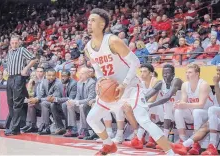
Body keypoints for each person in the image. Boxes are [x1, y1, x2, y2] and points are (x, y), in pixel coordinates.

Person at [85, 8, 175, 155]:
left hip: (130, 86)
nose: (89, 23)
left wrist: (124, 84)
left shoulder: (113, 41)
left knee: (143, 120)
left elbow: (135, 62)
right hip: (112, 89)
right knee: (92, 118)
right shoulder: (88, 48)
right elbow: (97, 69)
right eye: (88, 20)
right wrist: (100, 81)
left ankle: (171, 153)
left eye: (93, 20)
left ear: (102, 25)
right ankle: (109, 145)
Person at [172, 65, 220, 155]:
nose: (187, 74)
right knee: (178, 111)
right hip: (198, 112)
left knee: (197, 111)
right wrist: (179, 104)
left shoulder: (203, 84)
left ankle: (195, 144)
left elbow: (201, 104)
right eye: (186, 72)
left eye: (190, 72)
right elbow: (183, 101)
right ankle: (183, 140)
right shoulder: (185, 85)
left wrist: (184, 104)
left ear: (197, 74)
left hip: (206, 112)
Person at [5, 35, 37, 136]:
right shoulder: (9, 52)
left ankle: (14, 128)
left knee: (17, 103)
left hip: (19, 77)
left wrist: (26, 68)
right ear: (10, 43)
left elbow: (34, 59)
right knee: (10, 102)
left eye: (16, 42)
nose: (14, 44)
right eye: (12, 43)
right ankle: (16, 126)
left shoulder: (22, 50)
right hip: (10, 78)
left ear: (19, 43)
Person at [66, 67, 96, 139]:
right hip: (82, 103)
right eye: (79, 73)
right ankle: (73, 129)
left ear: (87, 74)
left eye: (82, 74)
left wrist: (76, 102)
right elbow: (78, 96)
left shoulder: (92, 83)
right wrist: (73, 102)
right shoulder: (79, 82)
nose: (80, 75)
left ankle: (84, 129)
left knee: (81, 106)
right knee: (70, 105)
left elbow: (90, 99)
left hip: (90, 105)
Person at [21, 67, 45, 133]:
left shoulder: (45, 81)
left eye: (41, 71)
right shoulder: (36, 82)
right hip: (38, 101)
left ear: (44, 73)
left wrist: (36, 99)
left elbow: (44, 94)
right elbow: (32, 94)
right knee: (30, 104)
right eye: (38, 71)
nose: (39, 73)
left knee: (34, 103)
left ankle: (44, 125)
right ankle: (32, 125)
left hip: (44, 101)